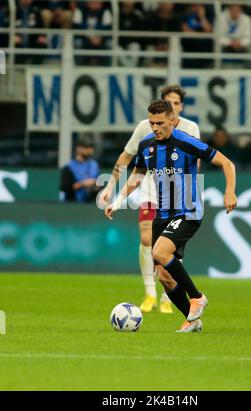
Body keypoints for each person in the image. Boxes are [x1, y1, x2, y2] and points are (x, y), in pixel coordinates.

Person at [104, 100, 237, 332]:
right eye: (152, 123)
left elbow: (227, 163)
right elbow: (137, 175)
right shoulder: (146, 146)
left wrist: (229, 191)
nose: (155, 128)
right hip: (162, 212)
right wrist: (118, 202)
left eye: (160, 123)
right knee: (164, 276)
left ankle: (197, 297)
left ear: (172, 121)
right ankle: (192, 320)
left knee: (159, 252)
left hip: (188, 210)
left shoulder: (186, 142)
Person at [99, 85, 201, 314]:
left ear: (180, 108)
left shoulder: (190, 128)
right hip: (151, 189)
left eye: (176, 103)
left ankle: (169, 296)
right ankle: (149, 294)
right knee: (147, 239)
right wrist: (112, 187)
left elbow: (197, 161)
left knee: (168, 249)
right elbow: (127, 156)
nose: (172, 106)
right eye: (168, 101)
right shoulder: (145, 128)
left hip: (180, 194)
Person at [60, 138, 100, 203]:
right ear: (78, 149)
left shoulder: (94, 165)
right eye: (86, 147)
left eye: (91, 147)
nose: (90, 150)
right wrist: (83, 184)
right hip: (72, 203)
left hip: (90, 204)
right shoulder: (69, 166)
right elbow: (65, 187)